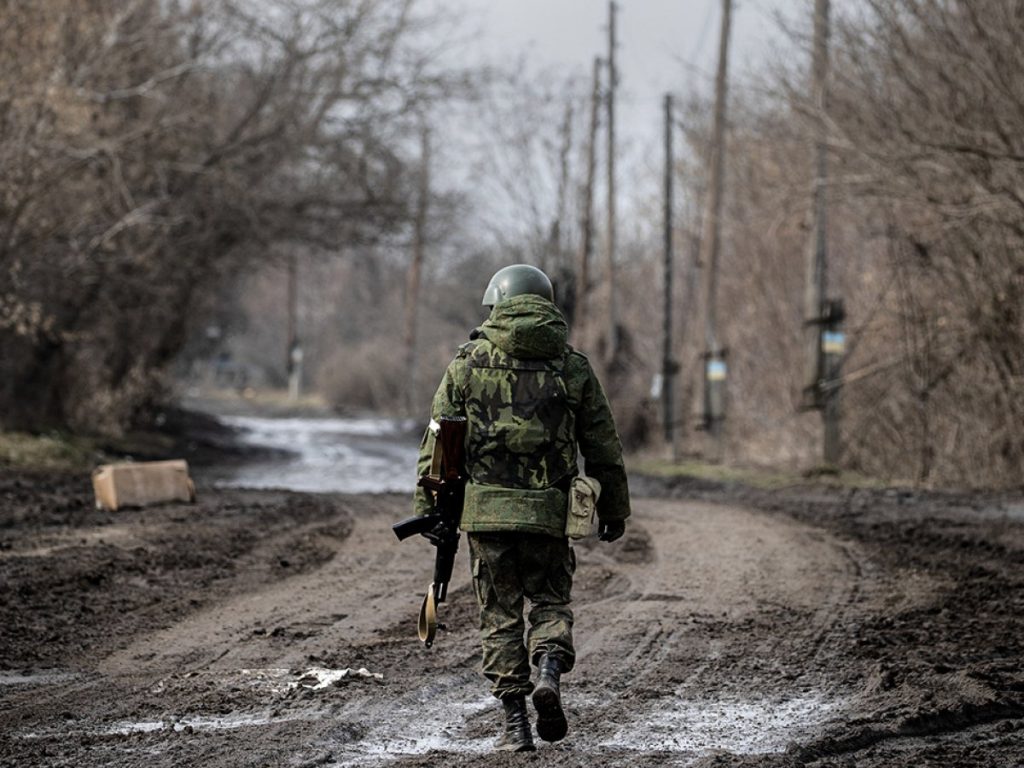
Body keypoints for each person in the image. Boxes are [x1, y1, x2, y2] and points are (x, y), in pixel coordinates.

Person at [413, 263, 631, 752]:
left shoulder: (466, 363)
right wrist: (614, 509)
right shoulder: (572, 367)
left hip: (487, 516)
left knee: (500, 616)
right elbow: (603, 445)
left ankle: (516, 725)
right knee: (551, 602)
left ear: (498, 304)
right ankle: (549, 672)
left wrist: (429, 507)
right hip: (550, 514)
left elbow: (438, 443)